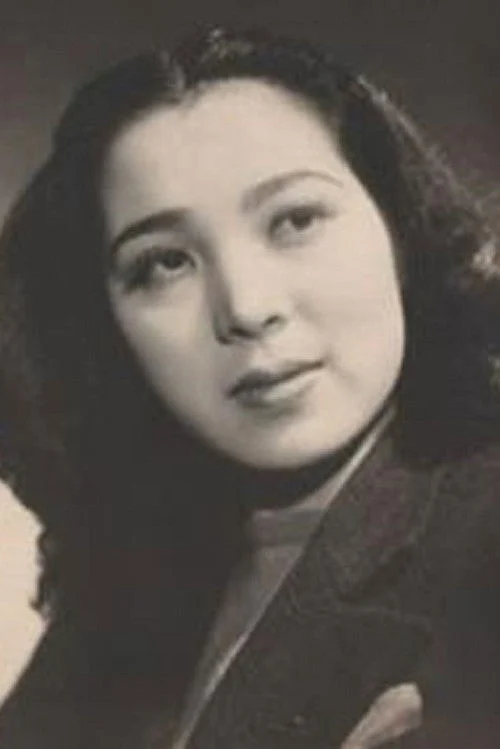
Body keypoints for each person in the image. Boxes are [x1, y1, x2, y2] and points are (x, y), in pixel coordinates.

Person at [0, 25, 500, 749]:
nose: (245, 306)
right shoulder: (130, 583)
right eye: (164, 263)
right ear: (104, 320)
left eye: (295, 220)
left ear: (398, 226)